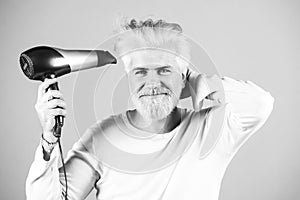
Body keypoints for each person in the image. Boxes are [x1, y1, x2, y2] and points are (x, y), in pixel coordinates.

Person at [25, 18, 275, 200]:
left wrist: (201, 82)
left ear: (183, 75)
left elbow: (259, 103)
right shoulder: (103, 137)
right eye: (141, 72)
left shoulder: (210, 129)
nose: (153, 83)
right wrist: (48, 141)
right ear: (129, 80)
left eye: (164, 70)